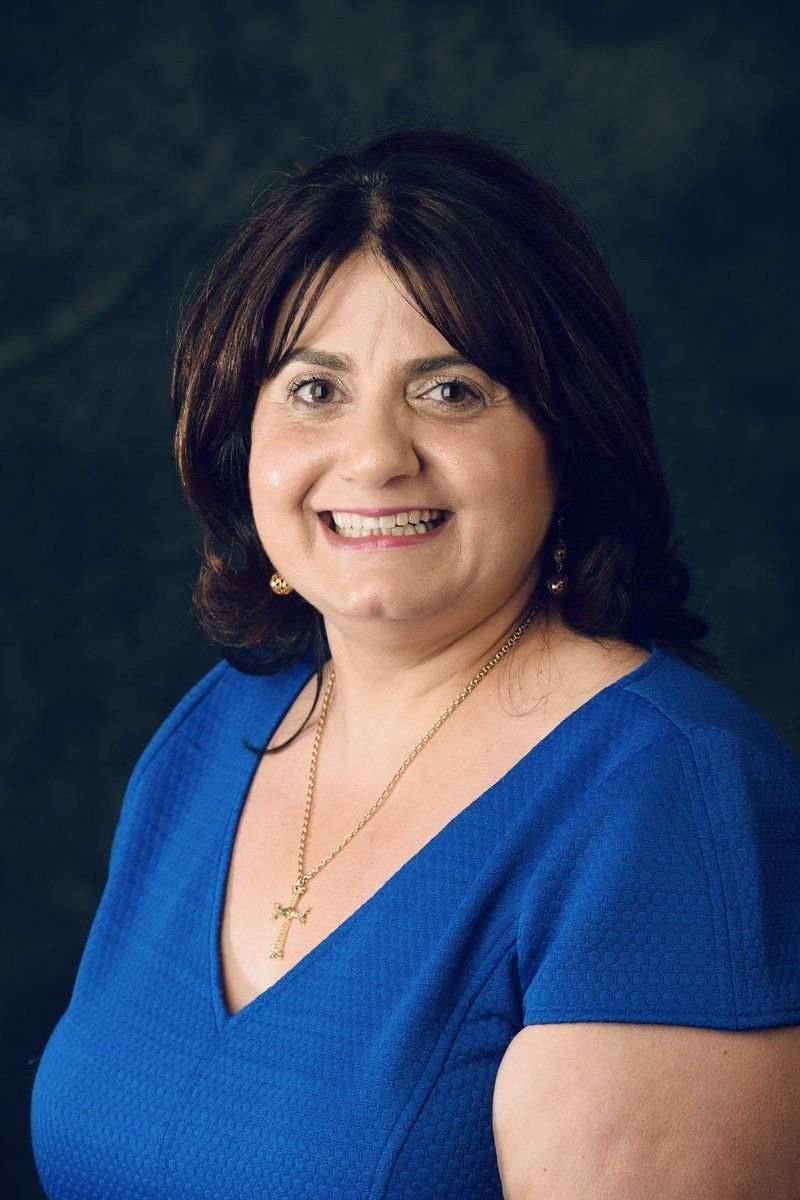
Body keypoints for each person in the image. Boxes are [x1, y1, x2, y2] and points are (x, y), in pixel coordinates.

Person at [30, 127, 800, 1199]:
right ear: (239, 433)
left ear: (564, 438)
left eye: (449, 390)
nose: (377, 456)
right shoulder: (213, 730)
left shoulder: (670, 803)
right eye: (314, 389)